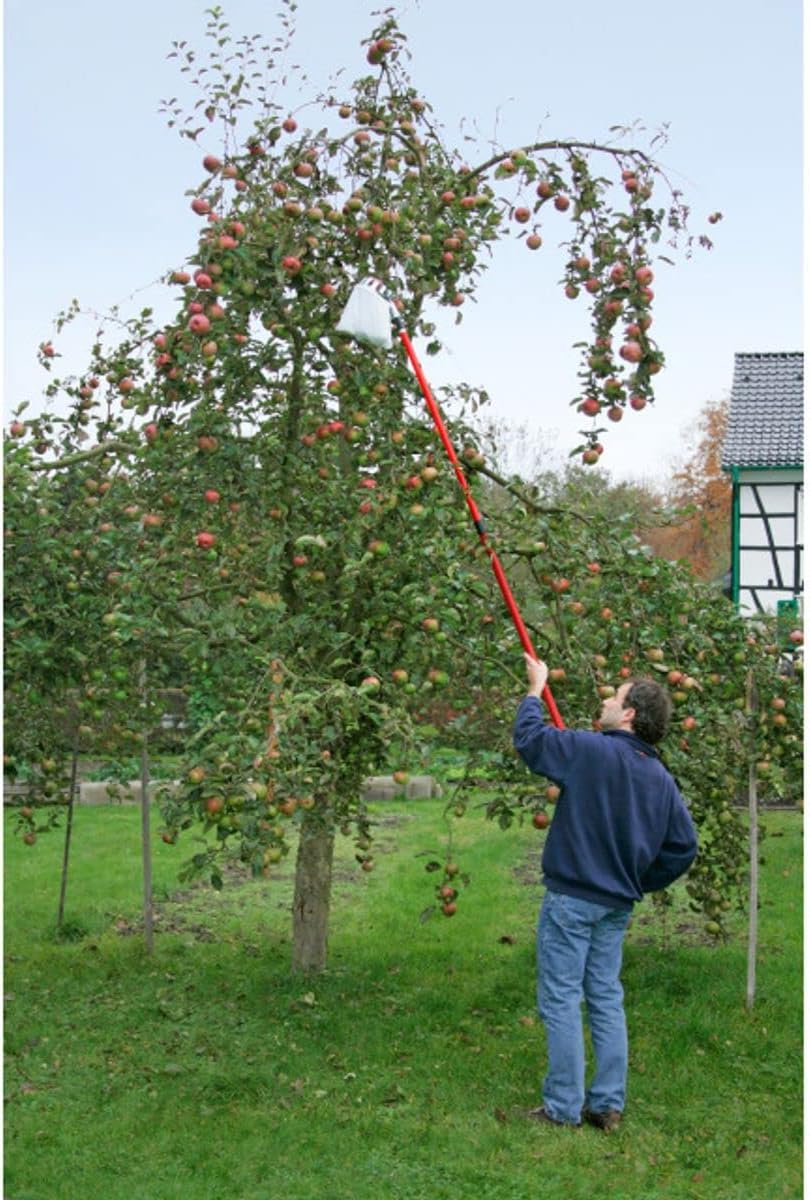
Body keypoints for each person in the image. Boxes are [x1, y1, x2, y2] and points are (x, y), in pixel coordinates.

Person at [513, 654, 698, 1132]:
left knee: (560, 997)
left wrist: (535, 689)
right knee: (604, 997)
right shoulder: (660, 780)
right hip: (615, 904)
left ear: (630, 714)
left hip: (573, 898)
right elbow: (683, 847)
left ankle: (561, 1107)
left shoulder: (591, 752)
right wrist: (638, 878)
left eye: (615, 698)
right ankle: (606, 1105)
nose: (606, 701)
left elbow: (531, 742)